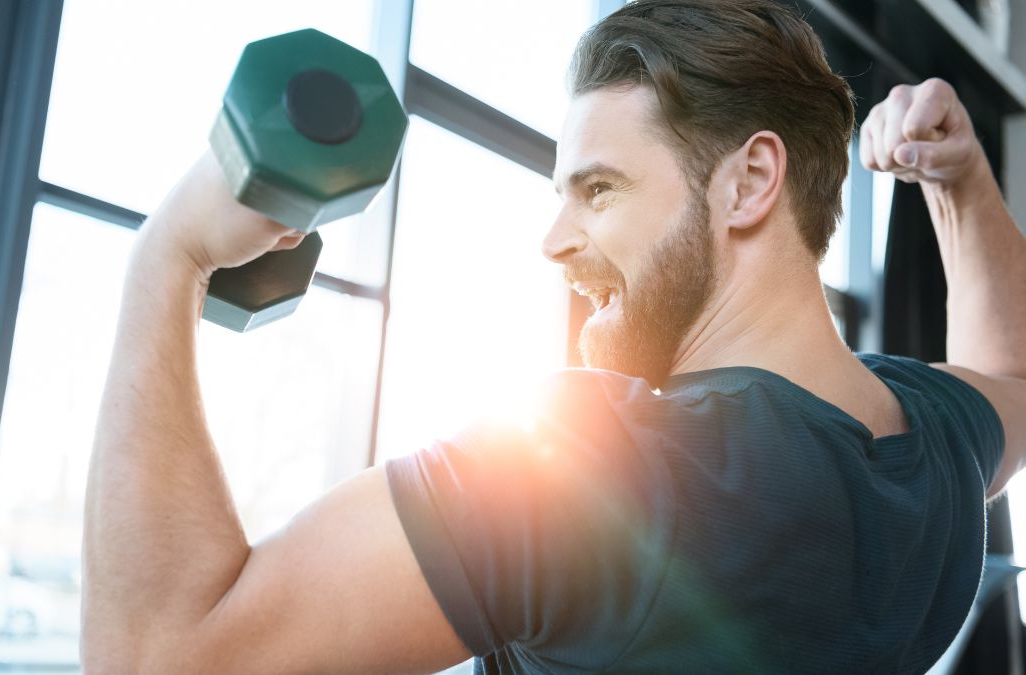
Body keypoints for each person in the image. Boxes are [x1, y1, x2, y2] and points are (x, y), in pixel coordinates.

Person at [80, 0, 1025, 672]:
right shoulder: (931, 445)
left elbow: (159, 654)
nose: (554, 240)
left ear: (749, 183)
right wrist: (964, 180)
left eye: (599, 188)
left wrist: (167, 256)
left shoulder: (612, 468)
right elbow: (1010, 369)